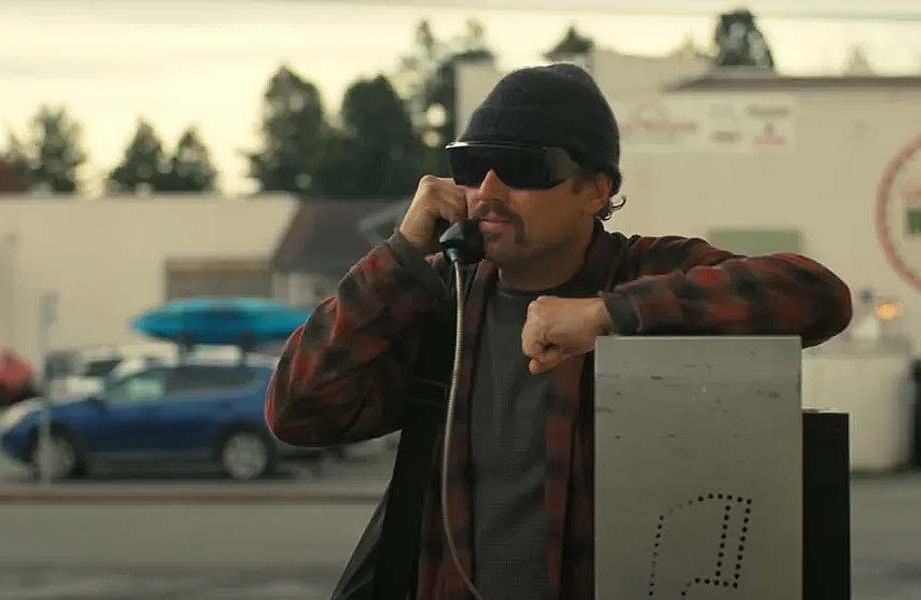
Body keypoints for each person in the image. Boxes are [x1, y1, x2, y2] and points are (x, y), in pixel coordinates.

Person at [265, 63, 852, 600]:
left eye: (523, 169)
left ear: (594, 190)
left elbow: (816, 296)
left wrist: (609, 316)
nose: (488, 193)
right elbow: (299, 411)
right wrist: (400, 255)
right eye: (470, 168)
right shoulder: (445, 301)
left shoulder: (643, 274)